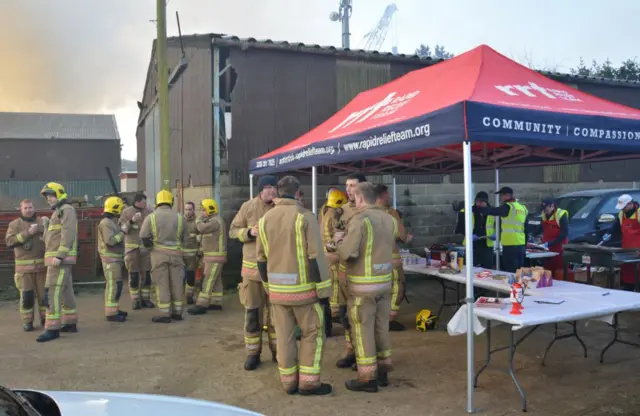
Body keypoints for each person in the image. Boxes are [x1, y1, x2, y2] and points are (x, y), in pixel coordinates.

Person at [256, 176, 333, 396]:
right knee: (312, 333)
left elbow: (260, 260)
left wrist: (269, 287)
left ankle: (288, 383)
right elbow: (315, 257)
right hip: (304, 292)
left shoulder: (264, 220)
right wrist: (324, 291)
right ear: (298, 193)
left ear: (278, 193)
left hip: (278, 293)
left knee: (284, 336)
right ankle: (308, 383)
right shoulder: (305, 217)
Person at [331, 182, 395, 393]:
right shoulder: (388, 218)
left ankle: (367, 378)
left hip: (363, 287)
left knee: (362, 331)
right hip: (384, 283)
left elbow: (349, 253)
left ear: (359, 198)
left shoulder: (360, 220)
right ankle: (384, 369)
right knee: (381, 327)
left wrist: (337, 243)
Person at [229, 175, 278, 370]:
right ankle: (253, 353)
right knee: (252, 314)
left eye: (273, 187)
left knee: (277, 316)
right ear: (259, 190)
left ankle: (278, 352)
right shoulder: (248, 207)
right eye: (267, 188)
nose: (271, 191)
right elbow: (233, 230)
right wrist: (249, 233)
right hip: (252, 273)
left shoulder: (282, 209)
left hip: (276, 271)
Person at [36, 182, 79, 343]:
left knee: (52, 291)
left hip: (58, 261)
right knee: (66, 291)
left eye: (51, 195)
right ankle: (70, 322)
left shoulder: (66, 210)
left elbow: (68, 234)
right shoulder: (59, 212)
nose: (49, 199)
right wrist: (46, 226)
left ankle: (52, 328)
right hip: (59, 260)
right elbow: (52, 238)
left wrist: (59, 256)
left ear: (59, 194)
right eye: (47, 197)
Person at [139, 190, 189, 323]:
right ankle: (177, 312)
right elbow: (186, 238)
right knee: (177, 284)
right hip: (177, 256)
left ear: (157, 202)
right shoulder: (180, 217)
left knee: (162, 284)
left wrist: (151, 248)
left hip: (158, 255)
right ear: (171, 201)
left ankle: (164, 314)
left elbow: (144, 237)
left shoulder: (151, 217)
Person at [334, 173, 367, 368]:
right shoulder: (341, 211)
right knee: (346, 315)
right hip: (344, 272)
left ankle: (365, 357)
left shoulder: (370, 211)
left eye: (352, 185)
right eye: (346, 185)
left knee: (362, 317)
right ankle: (351, 352)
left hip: (362, 273)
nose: (348, 189)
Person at [374, 184, 413, 332]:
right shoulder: (391, 213)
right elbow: (401, 235)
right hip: (390, 258)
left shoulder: (364, 213)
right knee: (397, 287)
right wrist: (406, 238)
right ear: (382, 196)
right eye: (387, 194)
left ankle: (377, 318)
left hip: (372, 260)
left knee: (378, 290)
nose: (389, 197)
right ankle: (390, 319)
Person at [4, 199, 47, 332]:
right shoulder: (14, 224)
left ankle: (46, 319)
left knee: (45, 297)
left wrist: (41, 228)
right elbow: (10, 241)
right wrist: (28, 233)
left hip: (42, 268)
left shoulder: (42, 221)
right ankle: (28, 322)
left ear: (34, 208)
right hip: (24, 270)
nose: (28, 210)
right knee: (27, 297)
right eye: (25, 208)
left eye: (30, 207)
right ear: (21, 210)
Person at [188, 199, 227, 315]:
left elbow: (202, 228)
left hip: (214, 257)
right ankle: (216, 302)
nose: (202, 212)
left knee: (208, 280)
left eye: (203, 210)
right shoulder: (214, 220)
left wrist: (198, 220)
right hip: (214, 257)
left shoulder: (215, 222)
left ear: (211, 209)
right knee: (216, 281)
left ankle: (201, 305)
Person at [480, 187, 528, 273]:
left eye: (501, 196)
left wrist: (480, 209)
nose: (501, 198)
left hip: (510, 244)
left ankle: (512, 286)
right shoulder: (522, 208)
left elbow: (494, 211)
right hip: (521, 243)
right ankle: (519, 285)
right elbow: (526, 228)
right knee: (519, 270)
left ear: (506, 195)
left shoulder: (508, 207)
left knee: (510, 271)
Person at [119, 192, 154, 310]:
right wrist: (132, 221)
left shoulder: (149, 212)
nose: (145, 204)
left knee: (147, 275)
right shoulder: (126, 212)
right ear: (137, 202)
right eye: (144, 202)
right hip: (132, 250)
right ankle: (135, 300)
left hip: (145, 249)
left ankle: (146, 299)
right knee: (134, 276)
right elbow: (122, 229)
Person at [97, 196, 128, 322]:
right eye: (121, 208)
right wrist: (123, 233)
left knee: (117, 285)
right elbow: (110, 241)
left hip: (115, 260)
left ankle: (114, 308)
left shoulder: (111, 222)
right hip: (110, 261)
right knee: (113, 286)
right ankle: (111, 314)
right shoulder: (106, 223)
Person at [320, 189, 348, 321]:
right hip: (333, 255)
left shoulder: (324, 211)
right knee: (336, 284)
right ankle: (335, 313)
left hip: (325, 254)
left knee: (331, 283)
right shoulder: (334, 215)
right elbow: (338, 235)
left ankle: (333, 312)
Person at [606, 194, 640, 290]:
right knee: (628, 272)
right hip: (627, 249)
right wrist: (609, 233)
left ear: (630, 204)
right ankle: (628, 289)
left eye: (624, 207)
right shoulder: (621, 214)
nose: (623, 209)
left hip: (638, 250)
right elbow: (615, 227)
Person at [455, 191, 495, 270]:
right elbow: (460, 227)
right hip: (472, 244)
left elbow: (498, 226)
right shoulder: (466, 211)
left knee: (487, 269)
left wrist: (496, 234)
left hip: (487, 245)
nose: (479, 204)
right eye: (477, 201)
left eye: (481, 202)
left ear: (486, 202)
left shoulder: (492, 211)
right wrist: (469, 235)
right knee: (469, 268)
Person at [537, 198, 569, 274]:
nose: (545, 211)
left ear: (552, 206)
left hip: (559, 248)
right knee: (547, 271)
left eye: (546, 209)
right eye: (543, 209)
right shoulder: (544, 214)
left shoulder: (561, 214)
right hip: (547, 249)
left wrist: (550, 243)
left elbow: (564, 233)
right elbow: (540, 228)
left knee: (559, 272)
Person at [182, 202, 200, 304]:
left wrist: (200, 252)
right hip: (181, 255)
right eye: (186, 209)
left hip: (193, 256)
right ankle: (179, 296)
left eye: (190, 209)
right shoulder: (180, 221)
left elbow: (201, 237)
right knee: (180, 277)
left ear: (193, 210)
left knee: (190, 277)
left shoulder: (198, 222)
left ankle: (189, 296)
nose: (188, 211)